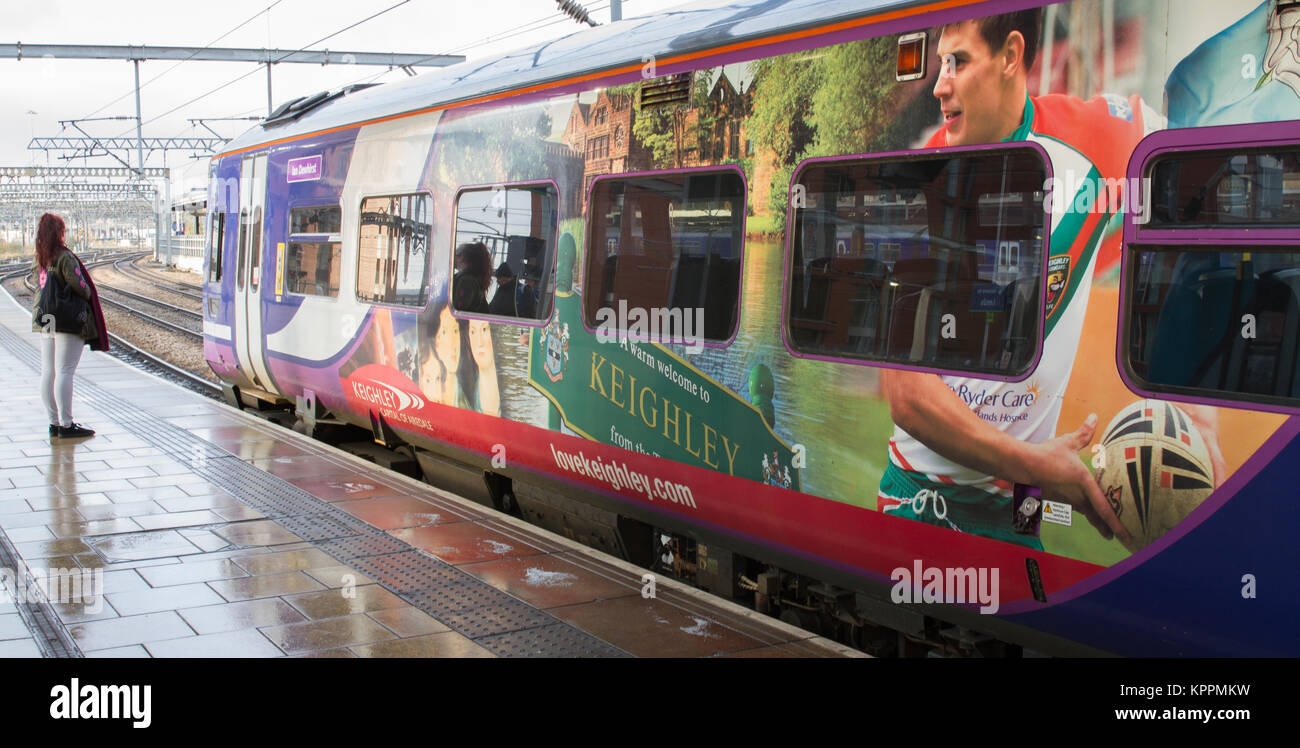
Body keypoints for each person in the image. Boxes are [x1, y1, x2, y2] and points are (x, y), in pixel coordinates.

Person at [876, 10, 1225, 550]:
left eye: (958, 61)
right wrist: (1038, 465)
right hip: (921, 503)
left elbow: (1208, 185)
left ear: (1011, 56)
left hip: (1022, 511)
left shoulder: (1102, 138)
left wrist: (1198, 401)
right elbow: (907, 396)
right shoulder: (919, 178)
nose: (940, 85)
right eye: (941, 64)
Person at [29, 213, 108, 440]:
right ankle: (67, 424)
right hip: (66, 319)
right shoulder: (64, 258)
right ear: (59, 233)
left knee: (48, 371)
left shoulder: (41, 258)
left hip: (46, 319)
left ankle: (54, 422)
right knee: (65, 371)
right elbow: (82, 288)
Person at [452, 242, 491, 314]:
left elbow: (458, 308)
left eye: (455, 254)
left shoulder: (467, 281)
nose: (451, 257)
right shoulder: (472, 278)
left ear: (461, 257)